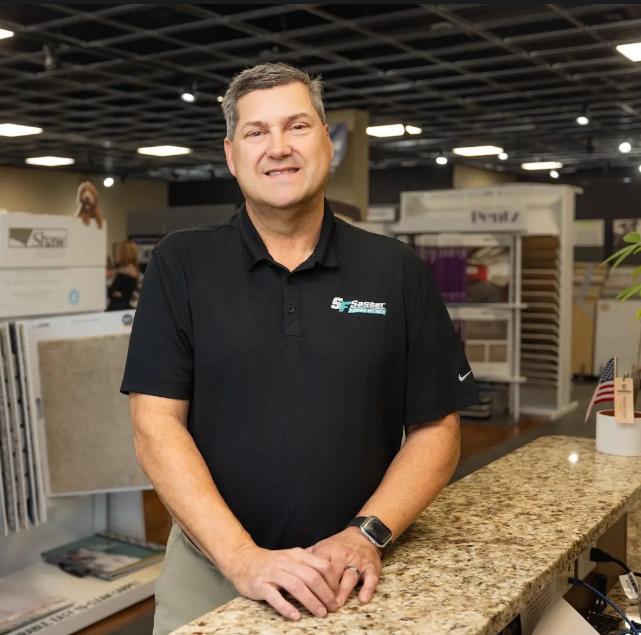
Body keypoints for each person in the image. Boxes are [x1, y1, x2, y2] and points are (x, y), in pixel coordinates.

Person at [121, 62, 481, 635]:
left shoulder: (397, 272)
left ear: (328, 144)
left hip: (357, 571)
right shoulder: (180, 265)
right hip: (212, 568)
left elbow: (437, 429)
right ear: (232, 154)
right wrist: (241, 558)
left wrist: (366, 534)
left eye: (297, 126)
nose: (278, 147)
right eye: (256, 132)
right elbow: (155, 426)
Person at [107, 240, 141, 311]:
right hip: (127, 309)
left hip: (116, 310)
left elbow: (109, 292)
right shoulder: (135, 272)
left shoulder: (123, 274)